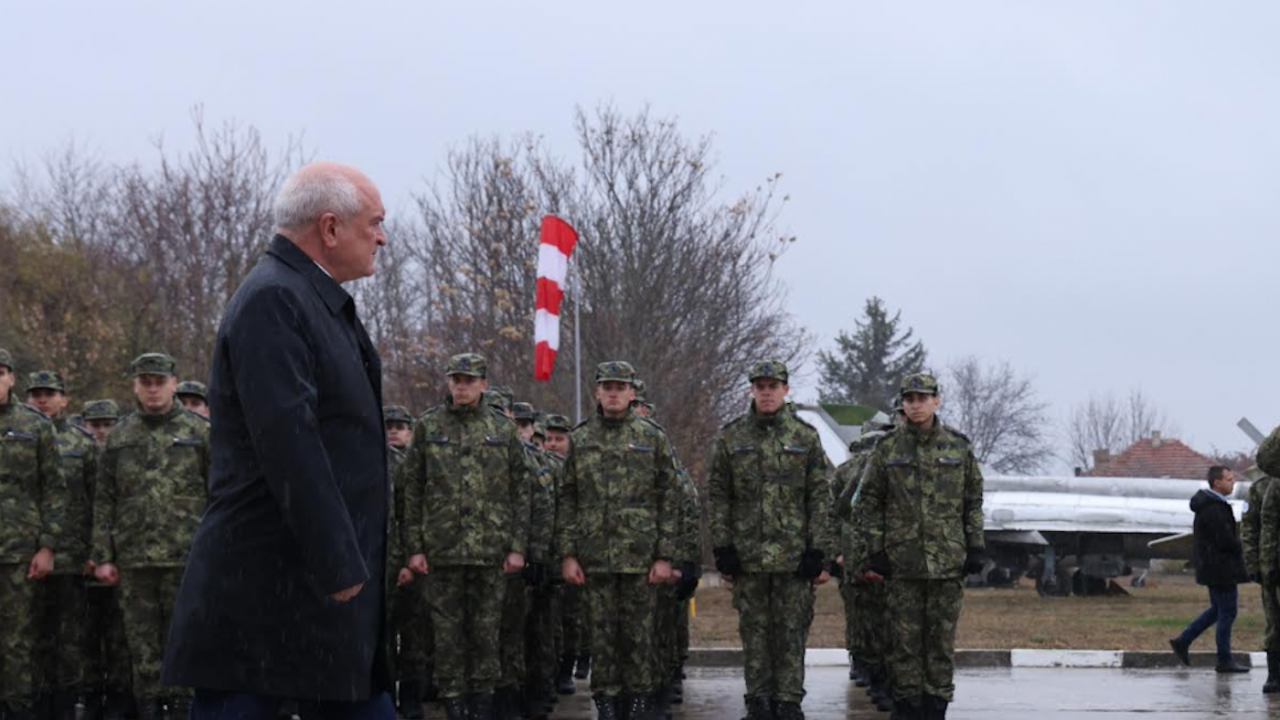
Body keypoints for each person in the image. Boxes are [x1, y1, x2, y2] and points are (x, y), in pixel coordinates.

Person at [161, 161, 394, 720]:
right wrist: (341, 562)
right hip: (267, 596)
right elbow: (290, 442)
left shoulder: (315, 300)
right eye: (376, 222)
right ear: (331, 228)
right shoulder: (274, 300)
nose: (382, 237)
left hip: (318, 596)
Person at [398, 354, 533, 720]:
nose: (462, 386)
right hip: (442, 552)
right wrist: (415, 548)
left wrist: (518, 546)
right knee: (447, 638)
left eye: (469, 380)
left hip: (491, 552)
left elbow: (522, 490)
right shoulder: (428, 426)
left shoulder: (502, 429)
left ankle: (483, 706)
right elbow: (411, 491)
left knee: (487, 636)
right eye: (456, 380)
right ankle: (456, 706)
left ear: (483, 385)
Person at [708, 361, 832, 720]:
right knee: (755, 632)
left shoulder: (805, 437)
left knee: (791, 633)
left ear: (785, 390)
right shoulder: (731, 437)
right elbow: (719, 496)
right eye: (760, 386)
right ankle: (759, 700)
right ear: (751, 390)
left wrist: (817, 550)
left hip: (794, 559)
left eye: (773, 386)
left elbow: (819, 497)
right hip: (748, 557)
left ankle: (789, 700)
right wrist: (723, 546)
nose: (766, 392)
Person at [555, 361, 677, 720]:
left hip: (640, 559)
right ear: (596, 391)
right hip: (594, 559)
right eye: (606, 386)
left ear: (631, 392)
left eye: (619, 387)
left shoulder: (652, 437)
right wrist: (568, 555)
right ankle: (606, 705)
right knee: (602, 639)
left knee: (639, 638)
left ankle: (639, 703)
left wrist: (664, 556)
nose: (613, 393)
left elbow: (668, 499)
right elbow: (567, 499)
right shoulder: (580, 438)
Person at [91, 353, 211, 720]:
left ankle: (182, 710)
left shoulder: (200, 432)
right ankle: (149, 710)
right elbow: (104, 498)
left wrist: (216, 556)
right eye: (146, 382)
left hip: (186, 558)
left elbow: (219, 495)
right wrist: (103, 555)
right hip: (135, 559)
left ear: (174, 384)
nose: (153, 389)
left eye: (160, 381)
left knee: (184, 642)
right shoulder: (120, 436)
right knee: (141, 648)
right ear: (135, 386)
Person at [860, 373, 984, 720]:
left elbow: (972, 500)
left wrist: (975, 545)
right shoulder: (887, 449)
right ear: (902, 403)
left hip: (947, 563)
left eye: (922, 398)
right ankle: (907, 706)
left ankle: (936, 706)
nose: (916, 404)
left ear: (936, 401)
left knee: (941, 644)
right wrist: (876, 550)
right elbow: (869, 502)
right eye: (910, 398)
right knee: (904, 645)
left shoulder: (958, 447)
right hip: (903, 564)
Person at [26, 371, 99, 720]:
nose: (43, 399)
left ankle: (67, 705)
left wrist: (94, 552)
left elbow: (97, 501)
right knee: (30, 636)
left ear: (64, 399)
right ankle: (34, 702)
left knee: (70, 638)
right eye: (36, 393)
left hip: (71, 555)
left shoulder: (82, 444)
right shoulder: (20, 436)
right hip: (26, 556)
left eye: (50, 393)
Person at [0, 349, 60, 720]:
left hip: (19, 550)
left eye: (0, 371)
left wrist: (47, 546)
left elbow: (55, 488)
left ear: (10, 378)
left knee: (17, 642)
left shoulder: (36, 426)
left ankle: (16, 711)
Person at [1170, 466, 1250, 673]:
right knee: (1228, 612)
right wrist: (1245, 548)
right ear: (1217, 483)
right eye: (1229, 480)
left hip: (1213, 567)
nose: (1233, 483)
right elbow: (1225, 540)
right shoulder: (1214, 508)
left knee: (1217, 610)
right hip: (1220, 568)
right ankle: (1224, 659)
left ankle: (1183, 640)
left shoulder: (1211, 505)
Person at [1243, 468, 1277, 692]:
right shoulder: (1260, 486)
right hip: (1271, 567)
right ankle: (1274, 676)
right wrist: (1252, 563)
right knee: (1274, 622)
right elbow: (1249, 527)